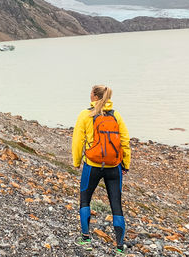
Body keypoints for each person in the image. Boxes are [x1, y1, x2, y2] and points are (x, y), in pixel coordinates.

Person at [72, 85, 131, 254]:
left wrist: (76, 161)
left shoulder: (86, 115)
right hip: (114, 167)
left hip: (92, 165)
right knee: (116, 205)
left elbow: (78, 141)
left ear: (94, 96)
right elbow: (125, 141)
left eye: (90, 93)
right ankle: (120, 248)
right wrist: (125, 164)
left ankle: (85, 239)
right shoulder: (116, 115)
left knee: (85, 199)